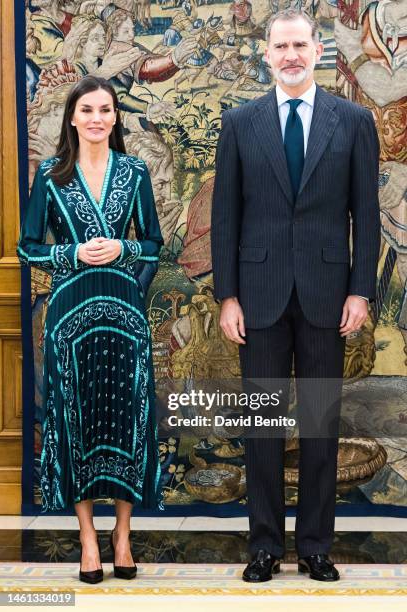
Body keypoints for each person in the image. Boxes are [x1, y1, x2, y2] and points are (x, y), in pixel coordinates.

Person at [211, 9, 380, 582]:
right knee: (260, 428)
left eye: (299, 45)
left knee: (319, 424)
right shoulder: (239, 122)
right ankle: (263, 546)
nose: (290, 55)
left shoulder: (353, 122)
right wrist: (226, 297)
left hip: (327, 297)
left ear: (317, 50)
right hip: (256, 297)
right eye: (279, 46)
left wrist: (360, 290)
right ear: (266, 53)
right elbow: (225, 216)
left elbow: (367, 213)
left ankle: (314, 546)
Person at [17, 75, 163, 583]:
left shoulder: (136, 171)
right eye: (87, 110)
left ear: (116, 117)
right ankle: (86, 537)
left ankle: (122, 535)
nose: (97, 118)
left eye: (105, 109)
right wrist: (71, 251)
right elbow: (27, 246)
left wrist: (124, 249)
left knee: (125, 418)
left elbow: (153, 243)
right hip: (69, 316)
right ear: (73, 118)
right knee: (74, 419)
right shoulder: (51, 178)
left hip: (124, 315)